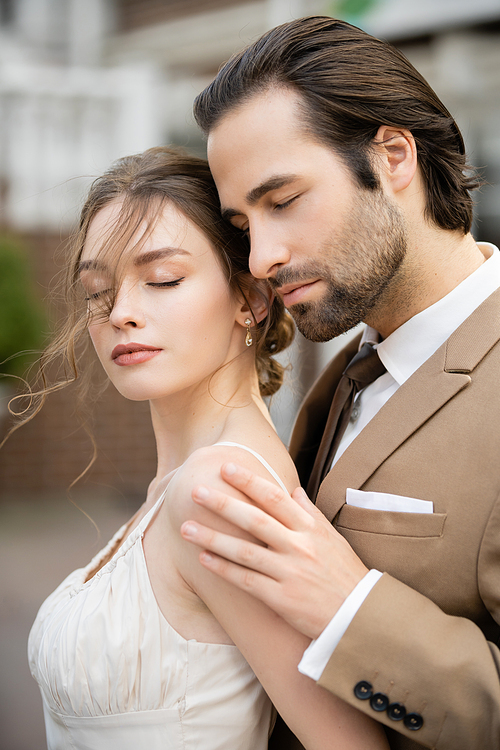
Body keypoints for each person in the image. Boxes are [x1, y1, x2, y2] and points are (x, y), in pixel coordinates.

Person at [179, 16, 500, 750]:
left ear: (391, 158)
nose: (260, 256)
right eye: (241, 224)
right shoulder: (348, 374)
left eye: (283, 200)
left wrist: (351, 609)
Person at [23, 146, 390, 750]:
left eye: (162, 279)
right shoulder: (185, 483)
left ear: (251, 298)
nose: (120, 313)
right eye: (96, 290)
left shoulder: (217, 489)